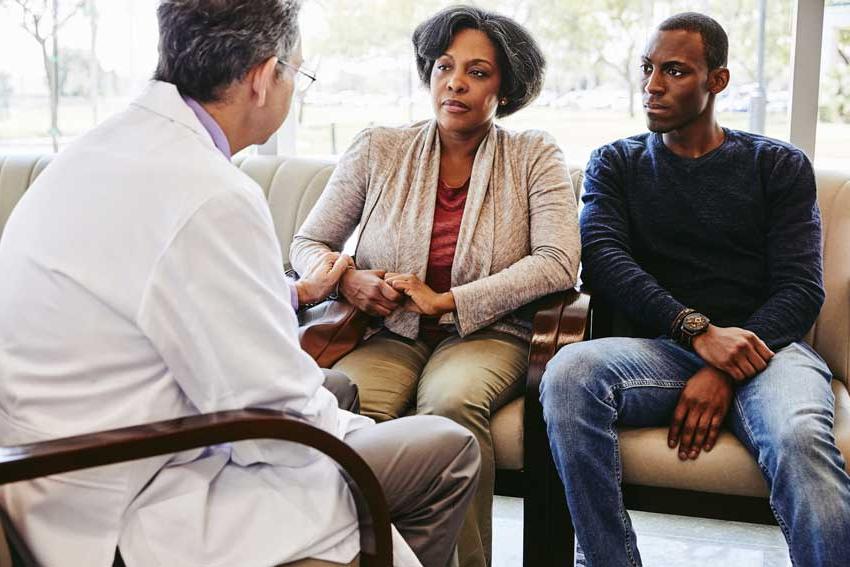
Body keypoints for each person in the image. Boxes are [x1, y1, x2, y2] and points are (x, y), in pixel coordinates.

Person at [0, 1, 481, 566]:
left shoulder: (97, 150)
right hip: (123, 494)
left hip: (42, 469)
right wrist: (350, 427)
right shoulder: (209, 191)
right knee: (447, 452)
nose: (294, 89)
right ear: (260, 77)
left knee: (340, 391)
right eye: (297, 73)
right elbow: (277, 417)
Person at [540, 12, 850, 567]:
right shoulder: (616, 162)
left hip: (771, 352)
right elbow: (605, 264)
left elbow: (802, 289)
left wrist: (726, 364)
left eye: (674, 71)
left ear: (718, 81)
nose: (652, 86)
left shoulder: (776, 165)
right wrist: (697, 333)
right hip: (660, 353)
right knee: (568, 372)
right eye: (647, 69)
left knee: (799, 439)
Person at [290, 6, 580, 566]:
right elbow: (307, 243)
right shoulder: (379, 148)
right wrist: (349, 280)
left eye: (478, 72)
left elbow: (558, 261)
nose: (455, 83)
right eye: (444, 66)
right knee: (347, 410)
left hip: (489, 334)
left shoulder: (533, 155)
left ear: (507, 84)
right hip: (385, 333)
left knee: (450, 406)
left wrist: (450, 301)